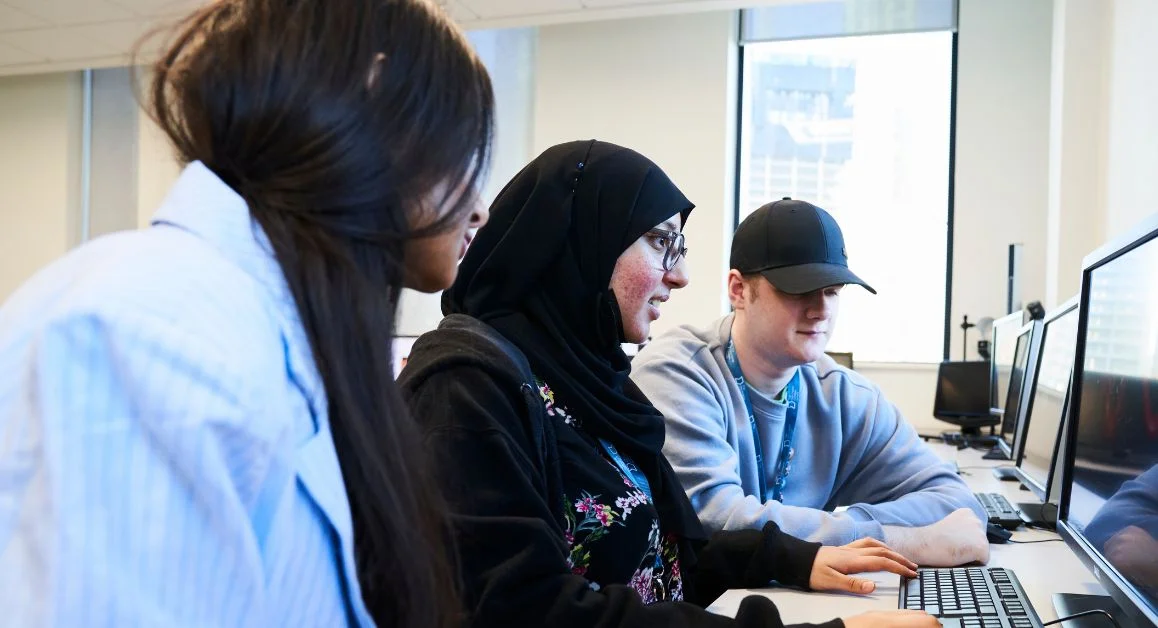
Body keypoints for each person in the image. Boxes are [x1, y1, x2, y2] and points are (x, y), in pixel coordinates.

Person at [0, 1, 492, 626]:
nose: (478, 208)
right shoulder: (151, 332)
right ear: (379, 106)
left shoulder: (281, 337)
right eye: (464, 150)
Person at [398, 140, 937, 628]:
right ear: (583, 240)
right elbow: (524, 611)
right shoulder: (466, 387)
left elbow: (666, 555)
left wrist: (797, 558)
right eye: (661, 243)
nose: (679, 276)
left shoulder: (593, 381)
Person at [630, 198, 989, 567]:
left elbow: (958, 505)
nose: (821, 310)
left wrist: (849, 530)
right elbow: (714, 522)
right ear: (738, 290)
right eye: (799, 289)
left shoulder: (845, 395)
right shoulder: (676, 373)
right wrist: (897, 540)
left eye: (833, 291)